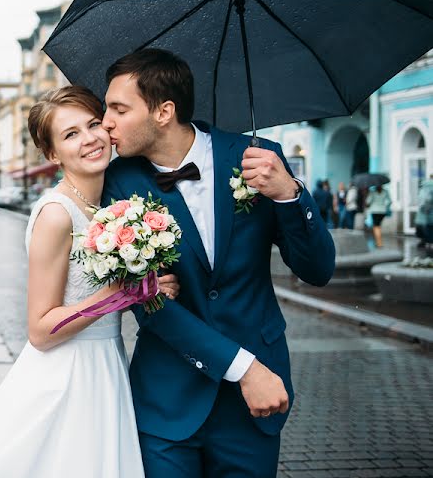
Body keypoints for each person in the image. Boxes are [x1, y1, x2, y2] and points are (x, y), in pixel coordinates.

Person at [100, 49, 335, 477]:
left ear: (163, 111)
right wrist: (244, 369)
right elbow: (150, 306)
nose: (106, 123)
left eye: (119, 108)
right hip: (168, 401)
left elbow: (317, 270)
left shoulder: (259, 158)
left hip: (255, 408)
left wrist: (288, 193)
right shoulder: (117, 183)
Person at [0, 86, 180, 478]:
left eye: (93, 124)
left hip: (106, 363)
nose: (89, 138)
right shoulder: (57, 216)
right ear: (53, 154)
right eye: (71, 134)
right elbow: (40, 329)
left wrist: (146, 283)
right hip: (67, 376)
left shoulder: (108, 208)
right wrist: (123, 294)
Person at [365, 184, 392, 249]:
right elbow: (389, 201)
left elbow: (368, 202)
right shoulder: (386, 191)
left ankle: (379, 242)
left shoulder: (372, 192)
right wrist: (384, 205)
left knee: (376, 226)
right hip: (382, 211)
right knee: (378, 225)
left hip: (375, 211)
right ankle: (378, 242)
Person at [416, 175, 433, 255]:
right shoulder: (428, 187)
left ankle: (427, 243)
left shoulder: (424, 187)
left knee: (428, 227)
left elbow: (422, 199)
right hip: (429, 211)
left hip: (426, 212)